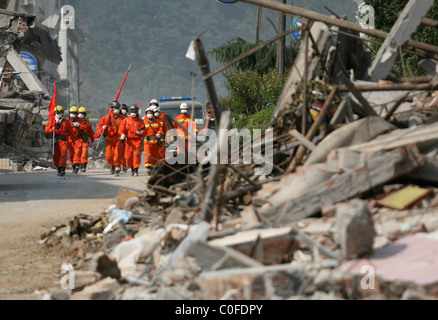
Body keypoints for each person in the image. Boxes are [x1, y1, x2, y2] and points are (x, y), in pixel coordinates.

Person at [45, 106, 76, 176]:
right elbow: (46, 131)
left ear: (62, 113)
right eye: (57, 112)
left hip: (64, 141)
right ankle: (58, 168)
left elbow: (71, 132)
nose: (58, 114)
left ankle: (62, 168)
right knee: (56, 156)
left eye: (59, 112)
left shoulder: (66, 122)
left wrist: (73, 140)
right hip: (55, 141)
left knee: (63, 154)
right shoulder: (52, 121)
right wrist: (51, 130)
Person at [97, 100, 125, 176]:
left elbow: (126, 126)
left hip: (118, 138)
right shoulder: (106, 118)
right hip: (109, 138)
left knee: (117, 154)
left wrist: (124, 134)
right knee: (109, 156)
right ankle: (111, 165)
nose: (116, 109)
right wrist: (103, 128)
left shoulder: (122, 118)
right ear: (111, 109)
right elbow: (99, 127)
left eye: (117, 108)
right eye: (115, 108)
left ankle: (117, 168)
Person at [119, 104, 146, 177]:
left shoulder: (140, 121)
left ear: (137, 112)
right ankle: (131, 168)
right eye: (132, 111)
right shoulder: (126, 120)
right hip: (129, 141)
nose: (133, 113)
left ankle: (136, 170)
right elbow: (122, 129)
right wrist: (122, 134)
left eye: (134, 111)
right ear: (129, 112)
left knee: (136, 156)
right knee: (128, 157)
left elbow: (144, 130)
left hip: (137, 140)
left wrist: (142, 132)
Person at [143, 107, 165, 175]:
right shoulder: (144, 122)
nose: (149, 114)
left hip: (155, 142)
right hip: (147, 141)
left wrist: (159, 133)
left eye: (150, 113)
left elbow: (161, 129)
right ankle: (148, 167)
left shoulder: (157, 121)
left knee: (155, 156)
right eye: (148, 113)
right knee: (148, 154)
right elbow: (141, 129)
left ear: (153, 114)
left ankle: (152, 168)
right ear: (146, 114)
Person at [77, 107, 95, 173]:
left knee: (84, 153)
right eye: (80, 113)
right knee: (77, 153)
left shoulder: (88, 123)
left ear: (85, 114)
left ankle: (83, 166)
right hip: (76, 139)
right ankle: (76, 165)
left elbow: (91, 132)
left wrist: (92, 140)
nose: (81, 114)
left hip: (85, 139)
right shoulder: (74, 122)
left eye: (82, 113)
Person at [67, 106, 85, 173]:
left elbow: (85, 129)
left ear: (77, 113)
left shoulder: (81, 121)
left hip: (78, 139)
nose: (73, 114)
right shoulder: (67, 121)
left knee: (77, 152)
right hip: (70, 139)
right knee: (71, 154)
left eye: (74, 113)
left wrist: (79, 126)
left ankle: (77, 164)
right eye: (71, 113)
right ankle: (73, 166)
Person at [119, 103, 129, 173]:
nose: (123, 110)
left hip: (127, 137)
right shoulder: (117, 118)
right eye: (122, 109)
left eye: (125, 109)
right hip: (119, 137)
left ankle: (124, 166)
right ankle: (120, 165)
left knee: (126, 153)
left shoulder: (128, 118)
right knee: (120, 152)